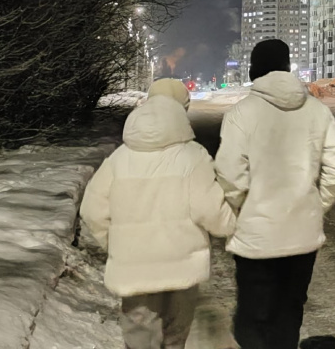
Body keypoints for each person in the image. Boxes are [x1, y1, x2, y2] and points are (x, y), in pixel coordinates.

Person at [80, 78, 236, 349]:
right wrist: (233, 226)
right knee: (174, 337)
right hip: (182, 269)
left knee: (139, 339)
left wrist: (116, 245)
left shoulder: (119, 159)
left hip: (134, 270)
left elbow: (92, 210)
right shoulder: (193, 156)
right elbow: (211, 210)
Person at [215, 39, 335, 348]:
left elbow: (228, 171)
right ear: (287, 67)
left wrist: (244, 206)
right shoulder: (317, 110)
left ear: (255, 70)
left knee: (253, 319)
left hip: (256, 237)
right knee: (289, 314)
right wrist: (318, 203)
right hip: (302, 235)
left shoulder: (242, 112)